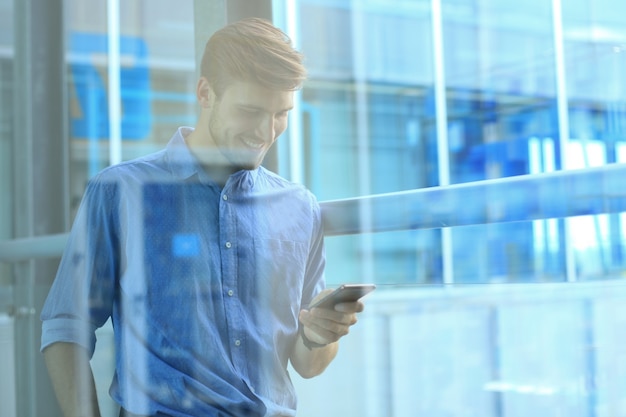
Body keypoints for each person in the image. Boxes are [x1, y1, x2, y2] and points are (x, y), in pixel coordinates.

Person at [41, 17, 365, 417]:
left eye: (281, 113)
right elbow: (65, 327)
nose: (267, 131)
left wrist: (319, 336)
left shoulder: (300, 207)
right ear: (205, 92)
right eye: (250, 110)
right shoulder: (121, 191)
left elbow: (307, 364)